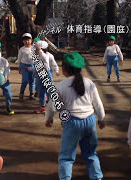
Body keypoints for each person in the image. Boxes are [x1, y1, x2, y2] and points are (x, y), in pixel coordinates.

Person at [46, 52, 105, 180]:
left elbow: (51, 106)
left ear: (64, 69)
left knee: (66, 156)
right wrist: (101, 118)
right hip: (90, 121)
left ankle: (65, 178)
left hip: (71, 122)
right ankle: (96, 177)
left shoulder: (61, 85)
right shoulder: (89, 83)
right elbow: (98, 103)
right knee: (91, 153)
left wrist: (48, 119)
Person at [18, 33, 35, 100]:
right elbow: (19, 58)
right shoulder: (22, 49)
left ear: (31, 40)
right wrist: (19, 67)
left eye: (28, 40)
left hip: (32, 66)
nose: (27, 42)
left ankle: (31, 94)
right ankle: (21, 93)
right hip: (24, 66)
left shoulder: (34, 49)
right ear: (23, 41)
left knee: (32, 80)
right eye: (25, 40)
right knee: (25, 80)